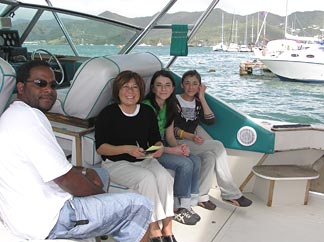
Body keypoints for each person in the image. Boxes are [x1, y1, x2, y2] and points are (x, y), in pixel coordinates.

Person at [0, 60, 152, 242]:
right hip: (49, 220)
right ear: (21, 87)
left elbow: (54, 169)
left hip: (22, 214)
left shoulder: (14, 114)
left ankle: (98, 229)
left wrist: (85, 171)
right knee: (139, 206)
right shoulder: (30, 119)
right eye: (40, 83)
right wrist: (104, 199)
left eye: (53, 85)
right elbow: (65, 179)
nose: (49, 90)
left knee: (100, 173)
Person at [95, 70, 177, 242]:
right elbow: (101, 148)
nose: (130, 92)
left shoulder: (147, 111)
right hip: (116, 164)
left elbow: (155, 139)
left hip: (144, 159)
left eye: (135, 87)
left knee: (165, 177)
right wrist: (126, 149)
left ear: (140, 91)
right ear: (117, 90)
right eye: (126, 87)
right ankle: (153, 228)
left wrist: (159, 147)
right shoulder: (108, 114)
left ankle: (168, 227)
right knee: (146, 179)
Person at [174, 70, 252, 208]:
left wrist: (202, 97)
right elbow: (170, 128)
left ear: (199, 86)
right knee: (217, 146)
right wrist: (189, 136)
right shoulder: (174, 101)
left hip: (191, 142)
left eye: (195, 84)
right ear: (182, 85)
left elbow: (210, 120)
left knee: (210, 156)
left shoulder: (198, 103)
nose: (190, 87)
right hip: (176, 142)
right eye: (187, 83)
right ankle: (230, 193)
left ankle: (202, 197)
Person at [143, 70, 201, 226]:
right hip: (147, 151)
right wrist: (172, 151)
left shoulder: (169, 105)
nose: (163, 89)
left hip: (160, 144)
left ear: (173, 88)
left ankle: (188, 203)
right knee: (185, 163)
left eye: (167, 85)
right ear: (153, 88)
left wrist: (180, 148)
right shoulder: (146, 108)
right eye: (159, 85)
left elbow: (169, 136)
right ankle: (176, 208)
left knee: (194, 159)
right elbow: (146, 146)